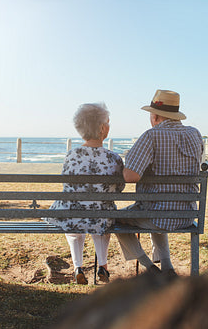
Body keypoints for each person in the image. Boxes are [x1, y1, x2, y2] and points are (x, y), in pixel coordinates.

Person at [116, 89, 204, 276]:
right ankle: (167, 267)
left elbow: (130, 176)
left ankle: (150, 269)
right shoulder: (195, 134)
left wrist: (125, 161)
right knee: (157, 208)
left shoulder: (151, 136)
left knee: (114, 219)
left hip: (158, 216)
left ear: (155, 115)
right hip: (187, 214)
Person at [44, 102, 124, 284]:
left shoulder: (71, 155)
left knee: (73, 223)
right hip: (101, 216)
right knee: (100, 220)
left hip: (72, 214)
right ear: (103, 128)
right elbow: (119, 188)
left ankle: (78, 267)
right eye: (108, 122)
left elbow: (67, 184)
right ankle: (102, 266)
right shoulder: (114, 158)